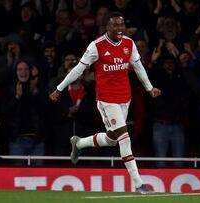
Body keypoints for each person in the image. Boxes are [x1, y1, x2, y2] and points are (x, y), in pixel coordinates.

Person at [49, 12, 161, 194]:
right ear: (106, 27)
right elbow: (79, 69)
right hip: (107, 100)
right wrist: (59, 88)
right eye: (115, 25)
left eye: (122, 25)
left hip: (125, 97)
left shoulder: (128, 43)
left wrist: (150, 88)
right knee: (124, 138)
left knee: (111, 139)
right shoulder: (97, 46)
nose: (119, 29)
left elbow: (138, 67)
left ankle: (79, 144)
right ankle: (140, 184)